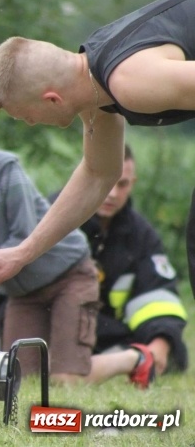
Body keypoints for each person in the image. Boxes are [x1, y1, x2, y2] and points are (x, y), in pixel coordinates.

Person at [0, 0, 195, 302]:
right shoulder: (96, 89)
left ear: (52, 99)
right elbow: (98, 174)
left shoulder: (130, 82)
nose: (30, 123)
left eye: (26, 116)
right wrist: (22, 253)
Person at [0, 130, 157, 388]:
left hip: (70, 275)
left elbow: (25, 237)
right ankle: (66, 363)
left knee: (65, 379)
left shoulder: (6, 170)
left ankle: (136, 358)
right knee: (18, 381)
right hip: (22, 294)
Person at [77, 144, 188, 375]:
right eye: (106, 181)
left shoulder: (142, 235)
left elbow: (159, 297)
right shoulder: (52, 218)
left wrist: (160, 345)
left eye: (122, 184)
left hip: (112, 335)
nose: (112, 193)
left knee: (175, 350)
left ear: (133, 184)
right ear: (85, 174)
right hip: (57, 328)